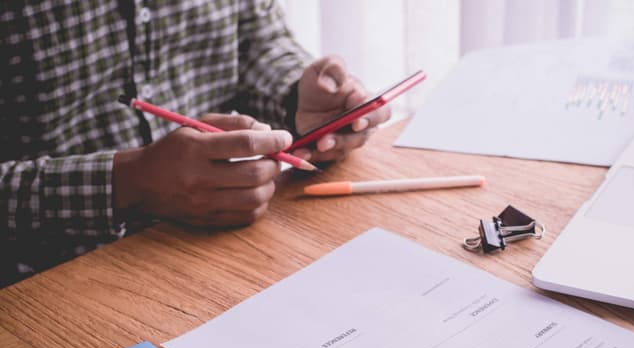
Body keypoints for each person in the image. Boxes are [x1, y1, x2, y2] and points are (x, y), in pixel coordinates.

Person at [0, 1, 390, 287]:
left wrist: (296, 99)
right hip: (41, 285)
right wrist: (128, 182)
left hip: (216, 252)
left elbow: (256, 39)